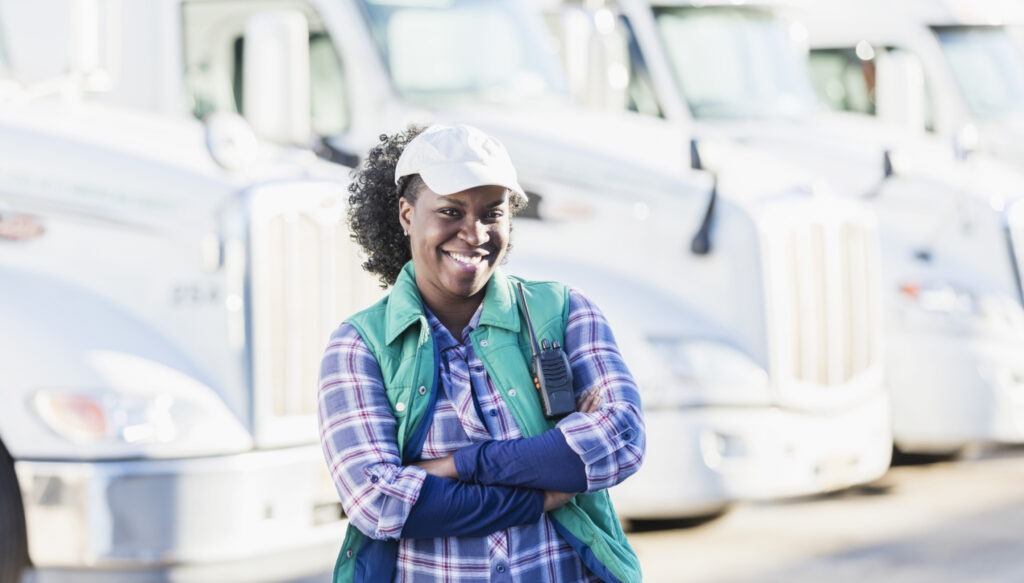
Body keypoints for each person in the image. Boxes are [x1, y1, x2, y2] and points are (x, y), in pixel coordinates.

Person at [318, 123, 645, 583]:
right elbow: (379, 503)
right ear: (408, 215)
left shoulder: (564, 312)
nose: (474, 234)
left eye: (493, 213)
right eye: (451, 212)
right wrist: (545, 490)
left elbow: (621, 441)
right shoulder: (358, 348)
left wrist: (455, 466)